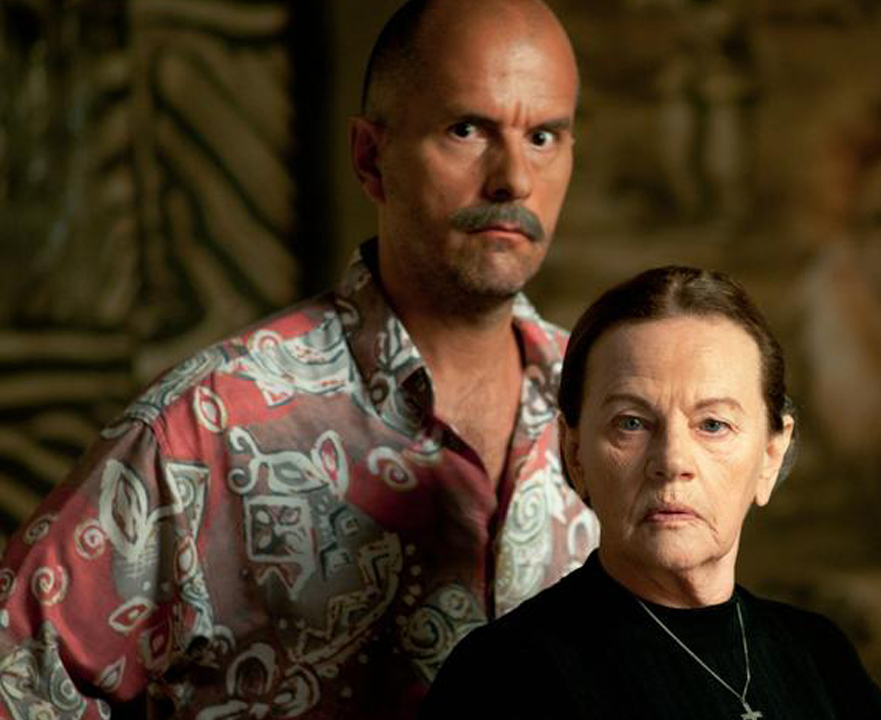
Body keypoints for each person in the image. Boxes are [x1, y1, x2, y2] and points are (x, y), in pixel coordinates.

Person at [0, 0, 596, 717]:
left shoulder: (616, 409)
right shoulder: (208, 427)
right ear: (370, 158)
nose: (513, 178)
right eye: (466, 129)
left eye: (543, 136)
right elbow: (16, 674)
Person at [421, 266, 881, 719]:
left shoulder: (819, 655)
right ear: (575, 453)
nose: (672, 462)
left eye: (713, 424)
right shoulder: (504, 676)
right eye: (631, 423)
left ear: (771, 456)